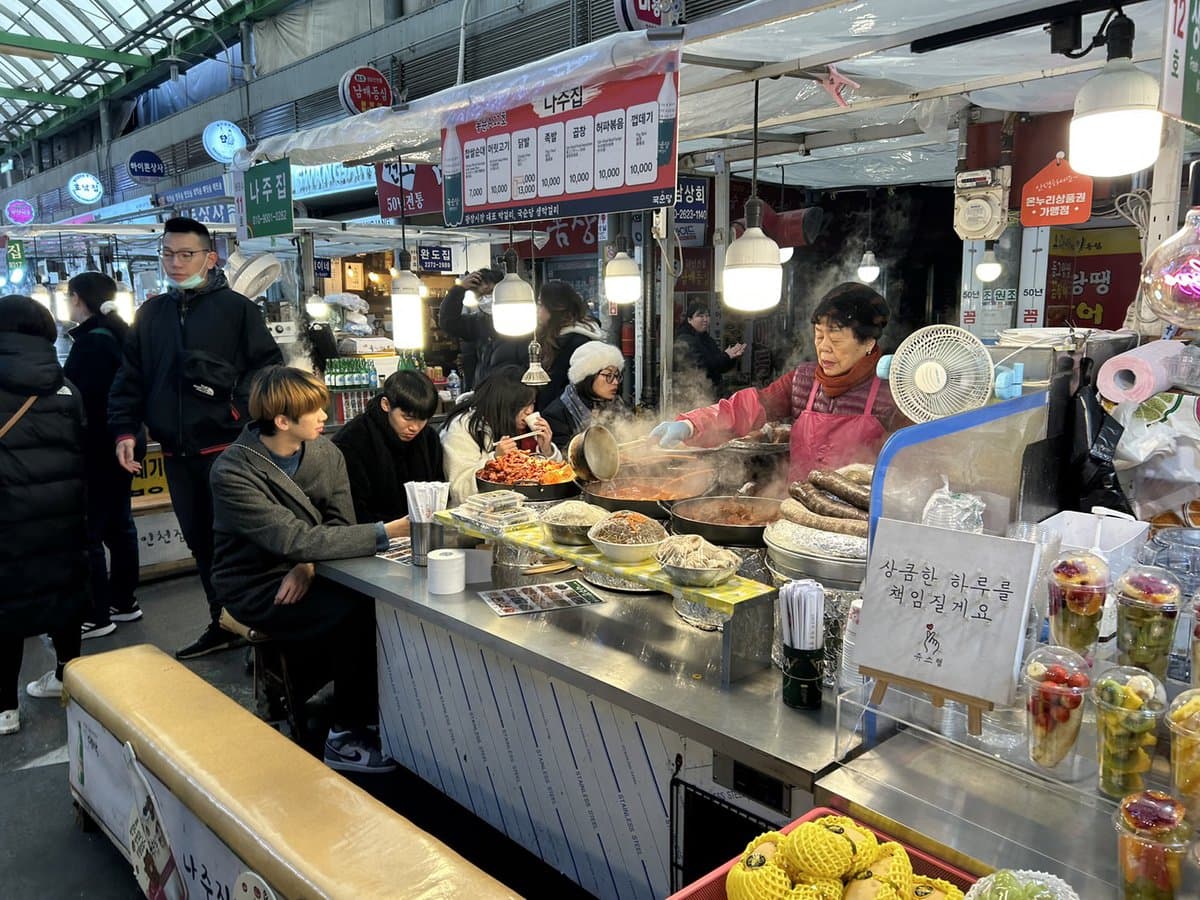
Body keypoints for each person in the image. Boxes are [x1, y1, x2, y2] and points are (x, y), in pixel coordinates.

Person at [209, 366, 409, 773]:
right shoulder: (234, 471)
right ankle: (345, 735)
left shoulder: (325, 452)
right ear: (282, 421)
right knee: (356, 613)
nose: (325, 416)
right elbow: (290, 537)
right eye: (315, 410)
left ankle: (375, 712)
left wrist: (308, 564)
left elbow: (336, 523)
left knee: (384, 601)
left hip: (312, 566)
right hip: (255, 582)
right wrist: (386, 533)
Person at [109, 217, 283, 661]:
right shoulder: (150, 315)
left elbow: (267, 370)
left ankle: (264, 628)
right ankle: (221, 622)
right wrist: (126, 430)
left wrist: (233, 405)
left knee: (242, 541)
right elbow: (130, 378)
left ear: (210, 257)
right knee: (201, 545)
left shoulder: (238, 310)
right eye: (168, 253)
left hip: (229, 451)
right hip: (176, 454)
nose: (175, 262)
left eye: (186, 254)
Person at [650, 283, 907, 484]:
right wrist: (690, 424)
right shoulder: (802, 381)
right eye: (818, 336)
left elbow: (916, 465)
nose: (824, 348)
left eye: (836, 340)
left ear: (869, 343)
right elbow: (746, 408)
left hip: (858, 526)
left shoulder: (893, 393)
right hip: (795, 517)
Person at [0, 294, 89, 733]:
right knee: (63, 595)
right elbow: (84, 447)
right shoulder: (67, 387)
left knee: (7, 606)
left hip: (7, 519)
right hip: (63, 514)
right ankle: (67, 677)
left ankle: (5, 709)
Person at [63, 273, 145, 639]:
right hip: (124, 439)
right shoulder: (117, 335)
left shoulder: (91, 344)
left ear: (78, 298)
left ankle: (97, 614)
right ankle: (123, 601)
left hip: (100, 444)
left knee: (91, 529)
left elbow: (86, 402)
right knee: (118, 522)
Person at [332, 369, 443, 526]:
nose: (415, 427)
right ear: (386, 404)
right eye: (407, 418)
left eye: (423, 419)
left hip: (424, 531)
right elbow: (352, 508)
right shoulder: (352, 440)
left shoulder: (429, 438)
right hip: (373, 537)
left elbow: (438, 488)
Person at [441, 366, 561, 504]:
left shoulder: (524, 429)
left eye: (532, 403)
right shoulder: (462, 428)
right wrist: (495, 460)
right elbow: (459, 491)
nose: (529, 411)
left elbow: (550, 480)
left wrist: (546, 450)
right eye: (522, 405)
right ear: (504, 404)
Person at [531, 281, 605, 408]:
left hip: (558, 420)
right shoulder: (552, 336)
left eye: (540, 304)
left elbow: (556, 388)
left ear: (554, 307)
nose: (538, 310)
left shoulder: (576, 343)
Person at [541, 341, 628, 450]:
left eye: (616, 375)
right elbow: (563, 459)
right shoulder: (557, 414)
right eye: (608, 375)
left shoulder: (619, 405)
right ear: (587, 377)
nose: (615, 382)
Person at [437, 268, 509, 389]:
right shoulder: (477, 322)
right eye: (481, 295)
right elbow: (448, 322)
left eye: (491, 292)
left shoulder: (520, 321)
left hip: (511, 393)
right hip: (483, 392)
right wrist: (459, 290)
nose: (487, 298)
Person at [674, 301, 746, 396]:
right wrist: (726, 356)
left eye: (707, 316)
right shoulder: (685, 339)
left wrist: (731, 357)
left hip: (711, 392)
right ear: (689, 319)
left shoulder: (707, 339)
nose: (705, 319)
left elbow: (719, 366)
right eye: (700, 316)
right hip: (693, 395)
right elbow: (702, 366)